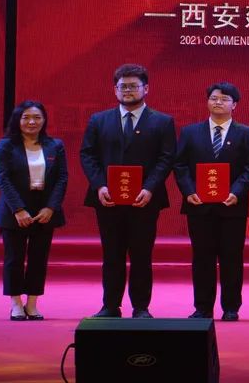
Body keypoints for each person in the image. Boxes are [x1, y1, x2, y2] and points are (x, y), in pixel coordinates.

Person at [80, 63, 176, 319]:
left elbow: (166, 158)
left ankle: (141, 307)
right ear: (115, 90)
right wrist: (100, 185)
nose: (128, 90)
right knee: (111, 254)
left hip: (144, 200)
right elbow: (88, 155)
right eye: (123, 86)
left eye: (134, 86)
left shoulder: (162, 121)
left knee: (141, 255)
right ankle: (110, 305)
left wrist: (149, 188)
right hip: (108, 198)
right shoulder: (99, 120)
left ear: (146, 88)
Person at [174, 82, 249, 321]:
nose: (218, 102)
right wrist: (188, 191)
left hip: (232, 206)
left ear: (234, 105)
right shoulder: (190, 132)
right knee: (202, 257)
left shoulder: (248, 134)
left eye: (224, 99)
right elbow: (180, 164)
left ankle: (231, 307)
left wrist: (237, 192)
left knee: (231, 257)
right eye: (213, 98)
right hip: (198, 205)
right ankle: (202, 308)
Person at [0, 100, 68, 321]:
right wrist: (18, 209)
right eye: (26, 117)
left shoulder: (55, 145)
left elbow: (62, 178)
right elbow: (2, 178)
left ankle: (32, 303)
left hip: (45, 210)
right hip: (13, 210)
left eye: (37, 117)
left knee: (39, 258)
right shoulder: (6, 145)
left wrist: (51, 207)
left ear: (44, 120)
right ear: (18, 120)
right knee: (14, 258)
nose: (32, 122)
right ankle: (16, 303)